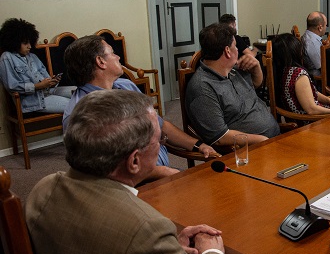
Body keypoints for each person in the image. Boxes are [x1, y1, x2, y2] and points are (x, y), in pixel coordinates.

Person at [26, 90, 230, 254]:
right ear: (134, 161)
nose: (161, 144)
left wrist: (167, 251)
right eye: (160, 139)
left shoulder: (43, 188)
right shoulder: (146, 230)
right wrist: (211, 253)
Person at [62, 35, 216, 179]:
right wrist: (162, 172)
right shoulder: (80, 114)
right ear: (100, 62)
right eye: (113, 53)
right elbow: (106, 171)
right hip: (133, 185)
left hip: (161, 171)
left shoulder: (126, 86)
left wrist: (198, 145)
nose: (118, 57)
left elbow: (161, 125)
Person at [186, 23, 280, 147]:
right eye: (235, 46)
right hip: (251, 150)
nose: (238, 50)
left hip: (274, 138)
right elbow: (220, 137)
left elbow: (255, 85)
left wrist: (257, 67)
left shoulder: (233, 69)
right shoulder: (202, 87)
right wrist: (261, 140)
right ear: (227, 51)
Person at [0, 18, 74, 114]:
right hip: (34, 101)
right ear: (15, 42)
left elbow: (45, 77)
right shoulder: (7, 57)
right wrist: (37, 86)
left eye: (30, 42)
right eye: (25, 43)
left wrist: (52, 81)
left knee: (82, 92)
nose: (29, 46)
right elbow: (12, 86)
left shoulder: (33, 56)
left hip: (48, 91)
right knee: (76, 105)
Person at [272, 33, 330, 120]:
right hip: (310, 122)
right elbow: (311, 110)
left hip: (303, 118)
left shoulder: (282, 71)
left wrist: (329, 101)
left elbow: (312, 93)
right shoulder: (298, 74)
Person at [301, 11, 327, 78]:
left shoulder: (308, 36)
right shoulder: (312, 42)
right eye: (325, 25)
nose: (326, 28)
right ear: (320, 28)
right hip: (318, 81)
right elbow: (323, 67)